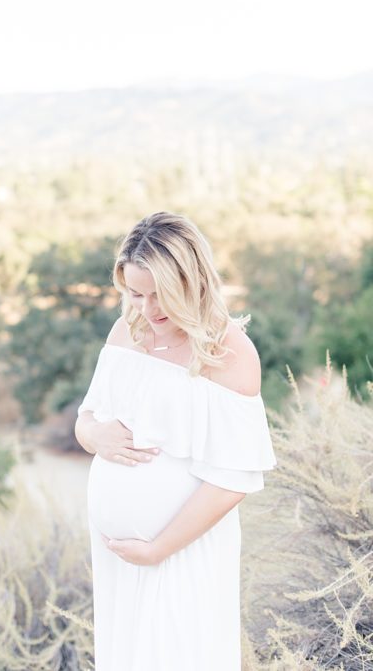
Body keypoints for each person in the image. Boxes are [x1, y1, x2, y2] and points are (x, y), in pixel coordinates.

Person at [74, 212, 277, 670]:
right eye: (135, 293)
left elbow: (233, 479)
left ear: (193, 279)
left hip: (183, 551)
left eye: (159, 293)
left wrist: (157, 549)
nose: (148, 309)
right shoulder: (127, 331)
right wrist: (95, 436)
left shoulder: (230, 352)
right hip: (118, 559)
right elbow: (86, 421)